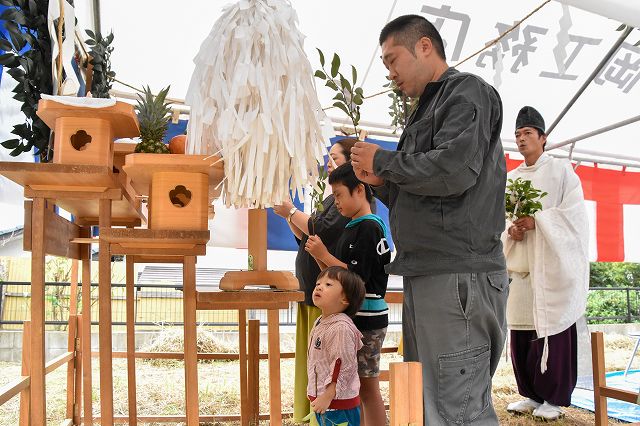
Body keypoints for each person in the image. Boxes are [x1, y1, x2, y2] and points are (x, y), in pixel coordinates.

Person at [350, 14, 509, 425]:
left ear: (424, 46)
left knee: (456, 410)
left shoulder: (467, 92)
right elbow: (430, 191)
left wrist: (385, 160)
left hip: (457, 272)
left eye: (392, 59)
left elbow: (454, 171)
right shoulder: (428, 108)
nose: (390, 73)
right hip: (433, 272)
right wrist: (382, 181)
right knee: (432, 404)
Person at [503, 106, 589, 420]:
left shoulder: (561, 171)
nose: (522, 139)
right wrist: (511, 229)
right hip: (522, 267)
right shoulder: (511, 178)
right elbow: (502, 220)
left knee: (552, 331)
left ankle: (553, 397)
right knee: (522, 331)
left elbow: (574, 216)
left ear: (543, 138)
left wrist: (538, 220)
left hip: (552, 269)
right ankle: (529, 393)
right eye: (517, 135)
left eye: (527, 133)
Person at [273, 138, 355, 422]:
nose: (329, 163)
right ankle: (308, 412)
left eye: (335, 158)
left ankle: (324, 413)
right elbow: (309, 234)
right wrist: (288, 216)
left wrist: (292, 212)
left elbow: (322, 230)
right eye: (328, 158)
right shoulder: (331, 198)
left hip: (327, 295)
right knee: (312, 357)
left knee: (327, 358)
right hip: (311, 288)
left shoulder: (345, 203)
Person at [305, 162, 391, 426]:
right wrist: (321, 259)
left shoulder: (369, 227)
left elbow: (356, 280)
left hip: (367, 318)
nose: (336, 202)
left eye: (340, 194)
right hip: (356, 318)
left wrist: (324, 255)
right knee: (355, 387)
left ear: (360, 190)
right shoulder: (353, 226)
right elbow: (338, 277)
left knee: (366, 386)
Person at [307, 266, 366, 426]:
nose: (319, 286)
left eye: (328, 285)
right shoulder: (321, 321)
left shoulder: (341, 328)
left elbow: (343, 365)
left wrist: (328, 395)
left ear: (345, 299)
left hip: (337, 403)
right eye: (318, 283)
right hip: (325, 400)